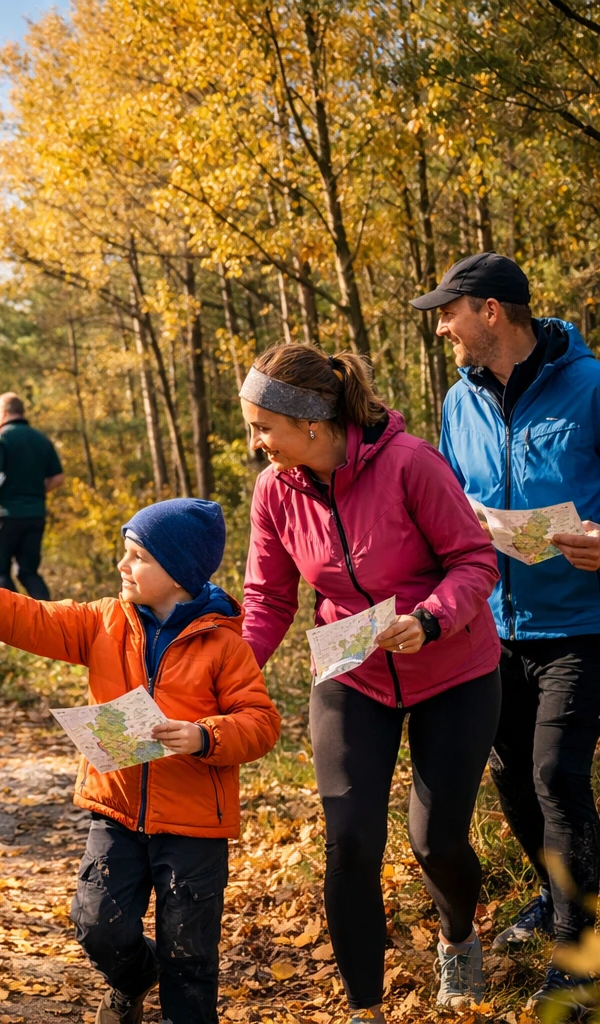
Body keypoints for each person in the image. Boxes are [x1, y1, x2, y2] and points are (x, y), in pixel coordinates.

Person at [416, 252, 600, 1010]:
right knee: (509, 775)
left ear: (492, 311)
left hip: (583, 621)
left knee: (557, 776)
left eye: (450, 312)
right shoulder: (457, 403)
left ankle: (581, 950)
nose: (443, 328)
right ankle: (552, 896)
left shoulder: (599, 389)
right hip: (490, 625)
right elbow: (446, 499)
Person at [0, 498, 281, 1024]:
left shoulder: (223, 645)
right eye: (125, 553)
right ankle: (133, 979)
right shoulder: (104, 621)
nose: (122, 566)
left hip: (195, 827)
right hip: (117, 810)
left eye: (137, 556)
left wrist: (204, 736)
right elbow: (33, 618)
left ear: (179, 571)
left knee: (189, 956)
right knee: (96, 923)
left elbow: (261, 722)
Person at [239, 343, 502, 1021]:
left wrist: (430, 618)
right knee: (350, 839)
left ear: (313, 425)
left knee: (435, 841)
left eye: (263, 426)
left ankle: (458, 937)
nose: (256, 441)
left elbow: (474, 560)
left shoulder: (410, 463)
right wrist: (234, 672)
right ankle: (365, 1009)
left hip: (452, 668)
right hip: (351, 674)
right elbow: (268, 599)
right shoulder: (274, 491)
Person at [0, 392, 65, 600]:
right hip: (35, 515)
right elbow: (57, 478)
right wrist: (34, 492)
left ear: (4, 412)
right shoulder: (41, 439)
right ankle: (50, 623)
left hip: (4, 515)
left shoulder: (0, 436)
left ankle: (15, 625)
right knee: (28, 572)